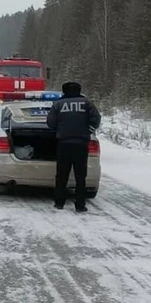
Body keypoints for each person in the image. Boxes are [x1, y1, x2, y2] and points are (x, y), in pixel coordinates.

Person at [46, 81, 101, 212]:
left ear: (64, 91)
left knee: (62, 175)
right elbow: (96, 118)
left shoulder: (58, 104)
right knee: (80, 176)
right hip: (81, 144)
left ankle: (59, 202)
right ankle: (80, 204)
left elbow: (50, 123)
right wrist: (88, 130)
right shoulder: (87, 103)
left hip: (64, 143)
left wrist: (59, 129)